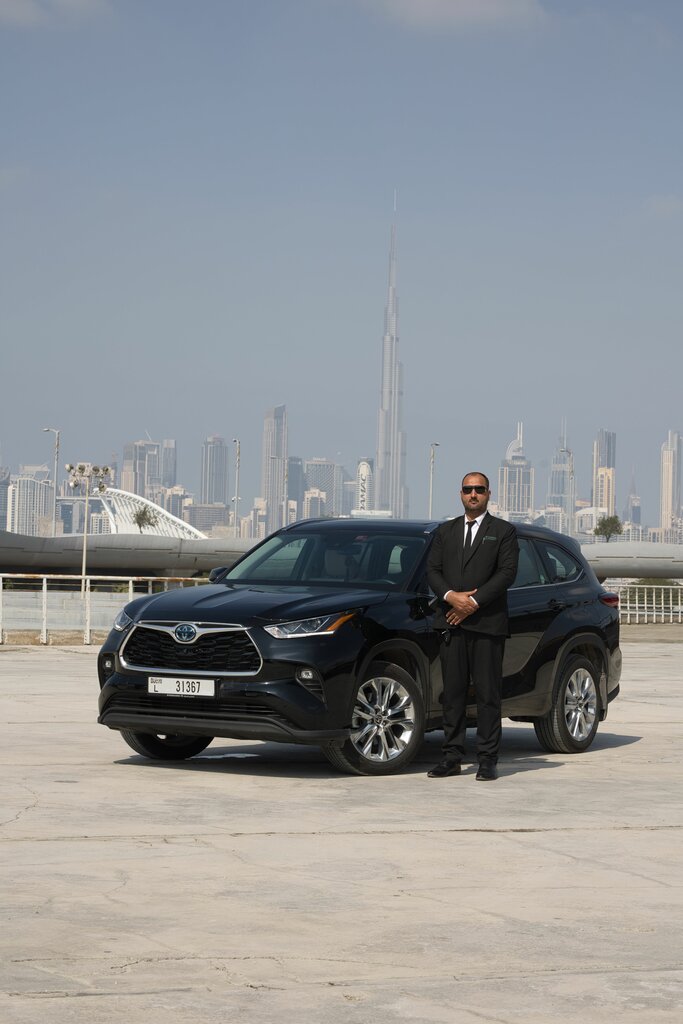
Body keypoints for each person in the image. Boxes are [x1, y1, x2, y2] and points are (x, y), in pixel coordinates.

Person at [426, 472, 519, 781]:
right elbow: (433, 570)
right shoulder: (445, 531)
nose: (473, 494)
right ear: (461, 494)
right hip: (451, 624)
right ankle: (451, 757)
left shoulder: (503, 532)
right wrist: (451, 597)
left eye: (479, 489)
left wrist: (473, 603)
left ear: (488, 494)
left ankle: (488, 759)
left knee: (488, 695)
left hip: (487, 625)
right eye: (468, 489)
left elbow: (507, 573)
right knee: (452, 694)